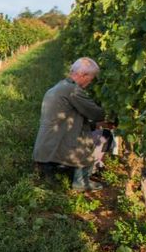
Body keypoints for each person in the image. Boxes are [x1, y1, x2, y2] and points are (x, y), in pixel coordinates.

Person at [33, 57, 107, 191]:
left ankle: (57, 174)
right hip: (53, 153)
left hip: (43, 150)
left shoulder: (60, 86)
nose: (91, 82)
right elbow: (96, 114)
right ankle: (81, 182)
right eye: (92, 78)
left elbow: (72, 119)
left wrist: (93, 124)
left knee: (88, 131)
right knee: (96, 138)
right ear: (84, 75)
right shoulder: (73, 91)